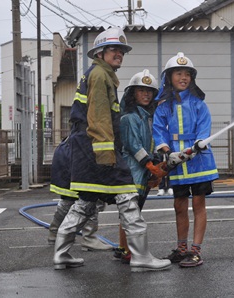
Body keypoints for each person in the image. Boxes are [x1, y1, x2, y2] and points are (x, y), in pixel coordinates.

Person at [52, 27, 171, 272]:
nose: (119, 54)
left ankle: (61, 253)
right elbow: (99, 118)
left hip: (87, 150)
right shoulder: (100, 76)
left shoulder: (96, 74)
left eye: (121, 50)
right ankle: (141, 256)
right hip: (99, 151)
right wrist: (108, 155)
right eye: (114, 49)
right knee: (128, 197)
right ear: (100, 52)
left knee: (84, 203)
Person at [153, 52, 219, 267]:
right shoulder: (163, 105)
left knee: (198, 204)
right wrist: (164, 148)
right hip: (176, 164)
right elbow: (158, 130)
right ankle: (181, 249)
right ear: (169, 77)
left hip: (200, 162)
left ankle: (196, 251)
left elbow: (204, 127)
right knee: (179, 206)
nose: (183, 77)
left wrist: (199, 142)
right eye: (178, 73)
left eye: (187, 74)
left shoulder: (199, 103)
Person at [115, 69, 163, 264]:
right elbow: (133, 146)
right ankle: (128, 250)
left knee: (134, 213)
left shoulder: (149, 118)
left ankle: (124, 248)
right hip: (131, 173)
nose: (146, 94)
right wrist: (151, 165)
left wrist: (155, 165)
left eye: (149, 91)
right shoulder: (128, 118)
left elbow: (150, 144)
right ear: (132, 93)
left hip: (143, 173)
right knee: (131, 214)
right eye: (141, 90)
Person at [48, 137, 112, 251]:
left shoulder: (79, 122)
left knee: (68, 200)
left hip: (67, 153)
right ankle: (89, 238)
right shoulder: (98, 122)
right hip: (78, 155)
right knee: (91, 197)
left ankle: (54, 233)